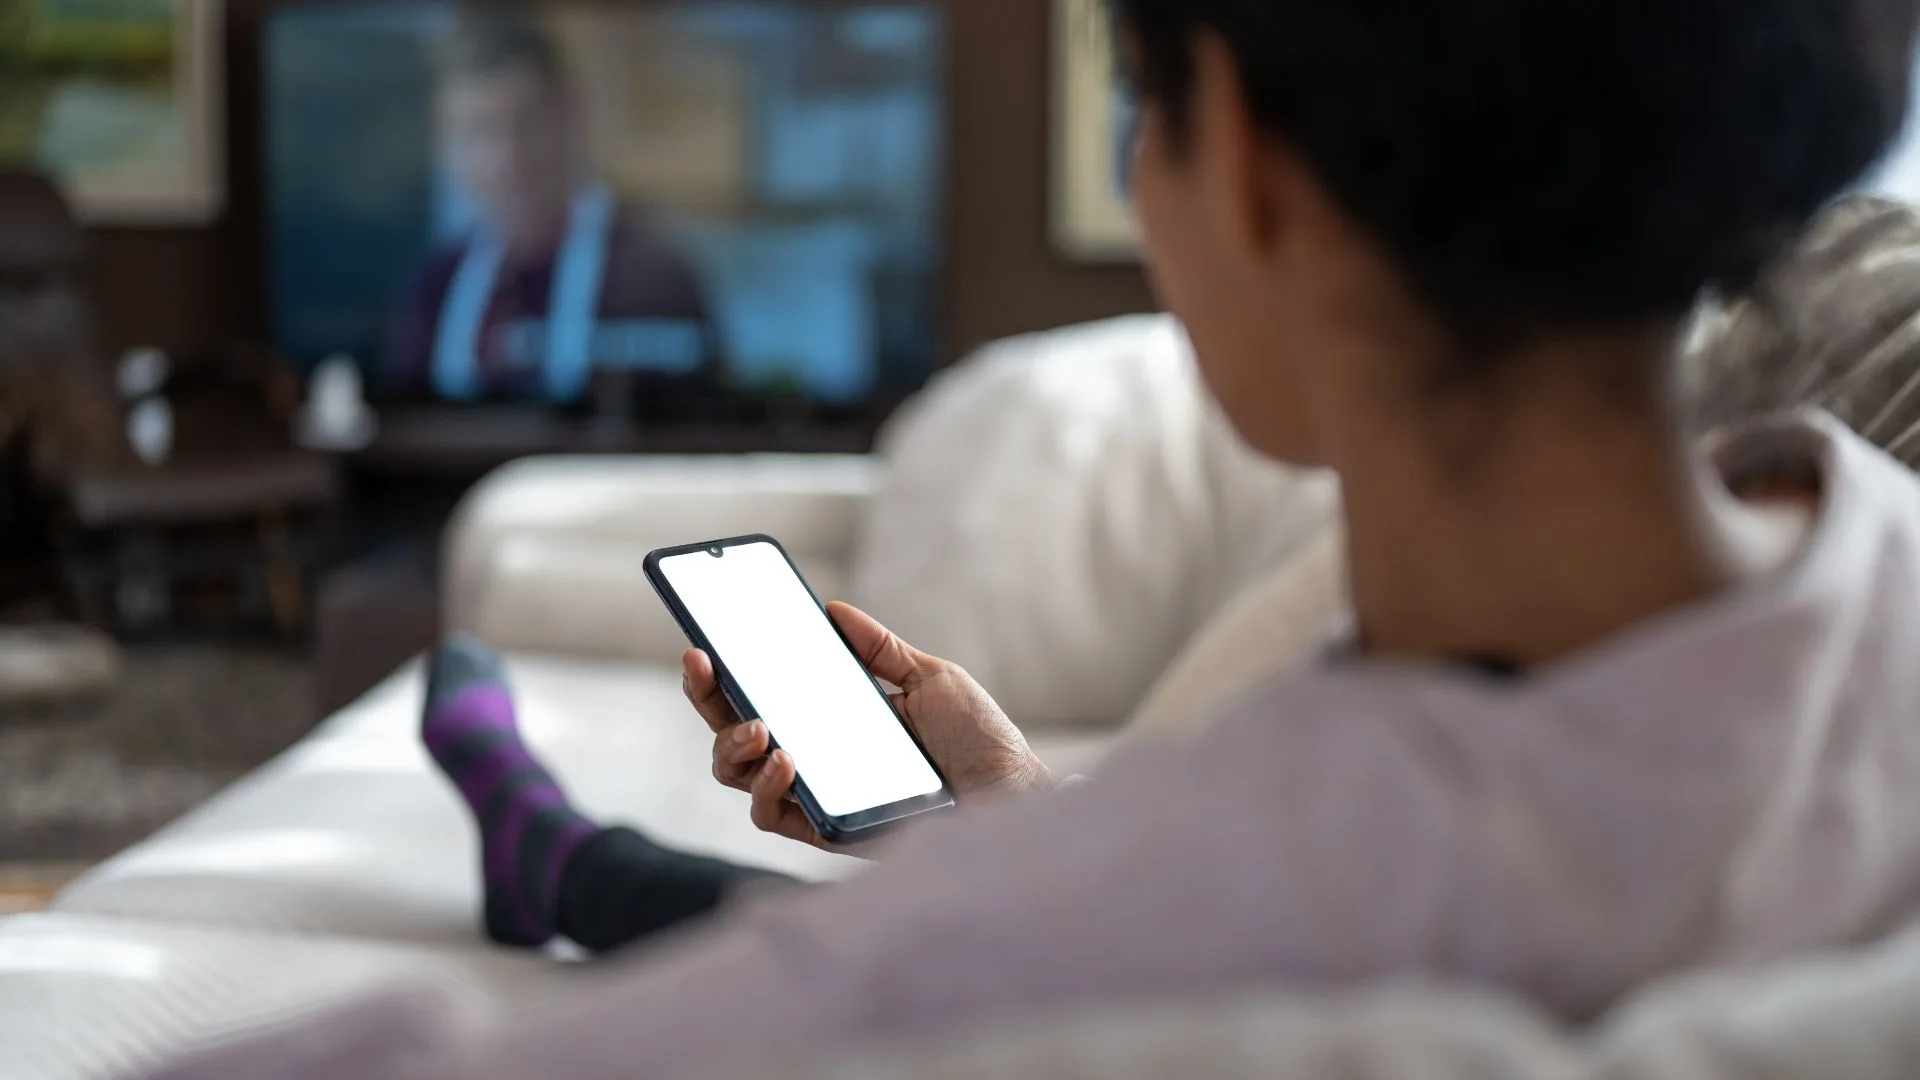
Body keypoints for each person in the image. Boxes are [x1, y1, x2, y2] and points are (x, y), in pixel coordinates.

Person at [143, 0, 1920, 1077]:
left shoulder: (1023, 959)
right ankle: (553, 852)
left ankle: (541, 844)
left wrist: (1028, 870)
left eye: (1142, 105)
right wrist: (1009, 803)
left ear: (1244, 159)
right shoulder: (1884, 574)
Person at [382, 14, 721, 406]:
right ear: (446, 143)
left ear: (569, 117)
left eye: (527, 125)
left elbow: (709, 429)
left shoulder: (656, 279)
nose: (507, 159)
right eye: (478, 131)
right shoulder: (435, 286)